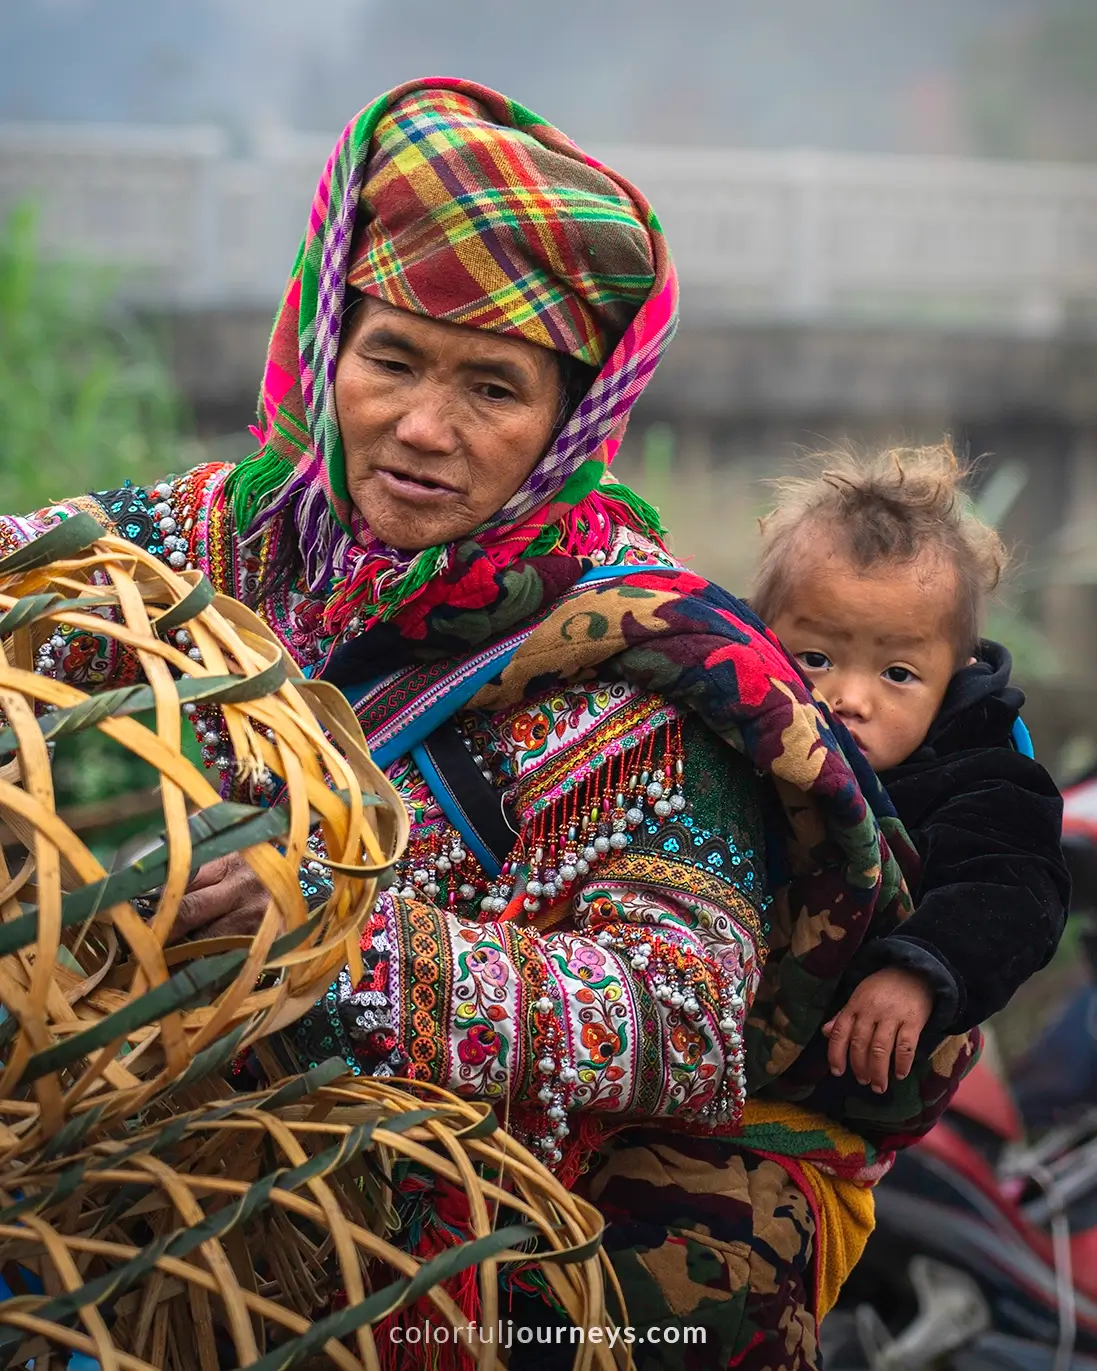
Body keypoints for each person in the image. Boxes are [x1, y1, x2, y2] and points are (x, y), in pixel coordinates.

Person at [0, 84, 977, 1369]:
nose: (421, 427)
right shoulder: (214, 541)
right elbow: (42, 580)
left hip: (400, 1265)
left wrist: (335, 936)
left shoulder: (640, 676)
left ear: (572, 417)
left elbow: (678, 1020)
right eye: (391, 358)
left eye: (492, 389)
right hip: (112, 1179)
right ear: (326, 345)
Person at [753, 444, 1069, 1099]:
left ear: (951, 680)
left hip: (841, 1087)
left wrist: (920, 967)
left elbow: (1011, 891)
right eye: (814, 657)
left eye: (896, 673)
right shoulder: (731, 732)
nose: (849, 699)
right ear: (760, 637)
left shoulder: (980, 777)